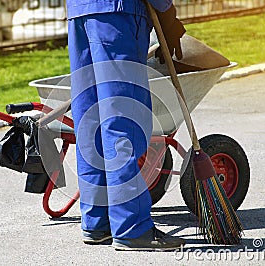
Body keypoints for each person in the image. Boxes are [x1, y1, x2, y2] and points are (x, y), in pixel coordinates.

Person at [66, 0, 186, 251]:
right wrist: (167, 12)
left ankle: (97, 222)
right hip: (117, 14)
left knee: (91, 120)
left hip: (80, 12)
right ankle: (132, 228)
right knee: (123, 121)